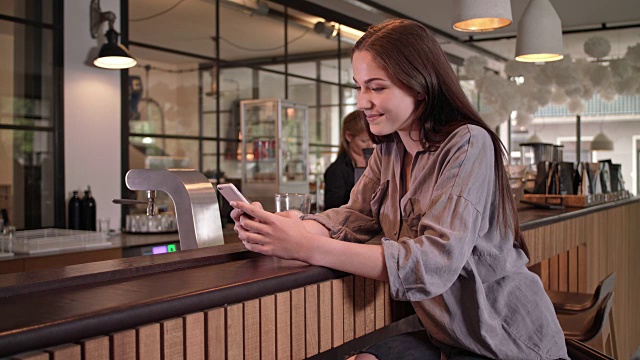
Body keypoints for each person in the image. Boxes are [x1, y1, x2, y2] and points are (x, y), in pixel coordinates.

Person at [230, 18, 568, 360]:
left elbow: (433, 263)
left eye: (377, 87)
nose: (363, 101)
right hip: (450, 336)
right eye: (359, 87)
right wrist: (287, 229)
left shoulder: (467, 143)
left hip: (505, 342)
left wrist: (306, 246)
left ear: (419, 86)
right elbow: (354, 216)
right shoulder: (389, 150)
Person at [324, 110, 374, 210]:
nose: (370, 145)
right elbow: (333, 209)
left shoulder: (378, 162)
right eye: (364, 141)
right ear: (348, 136)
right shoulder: (336, 171)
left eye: (373, 140)